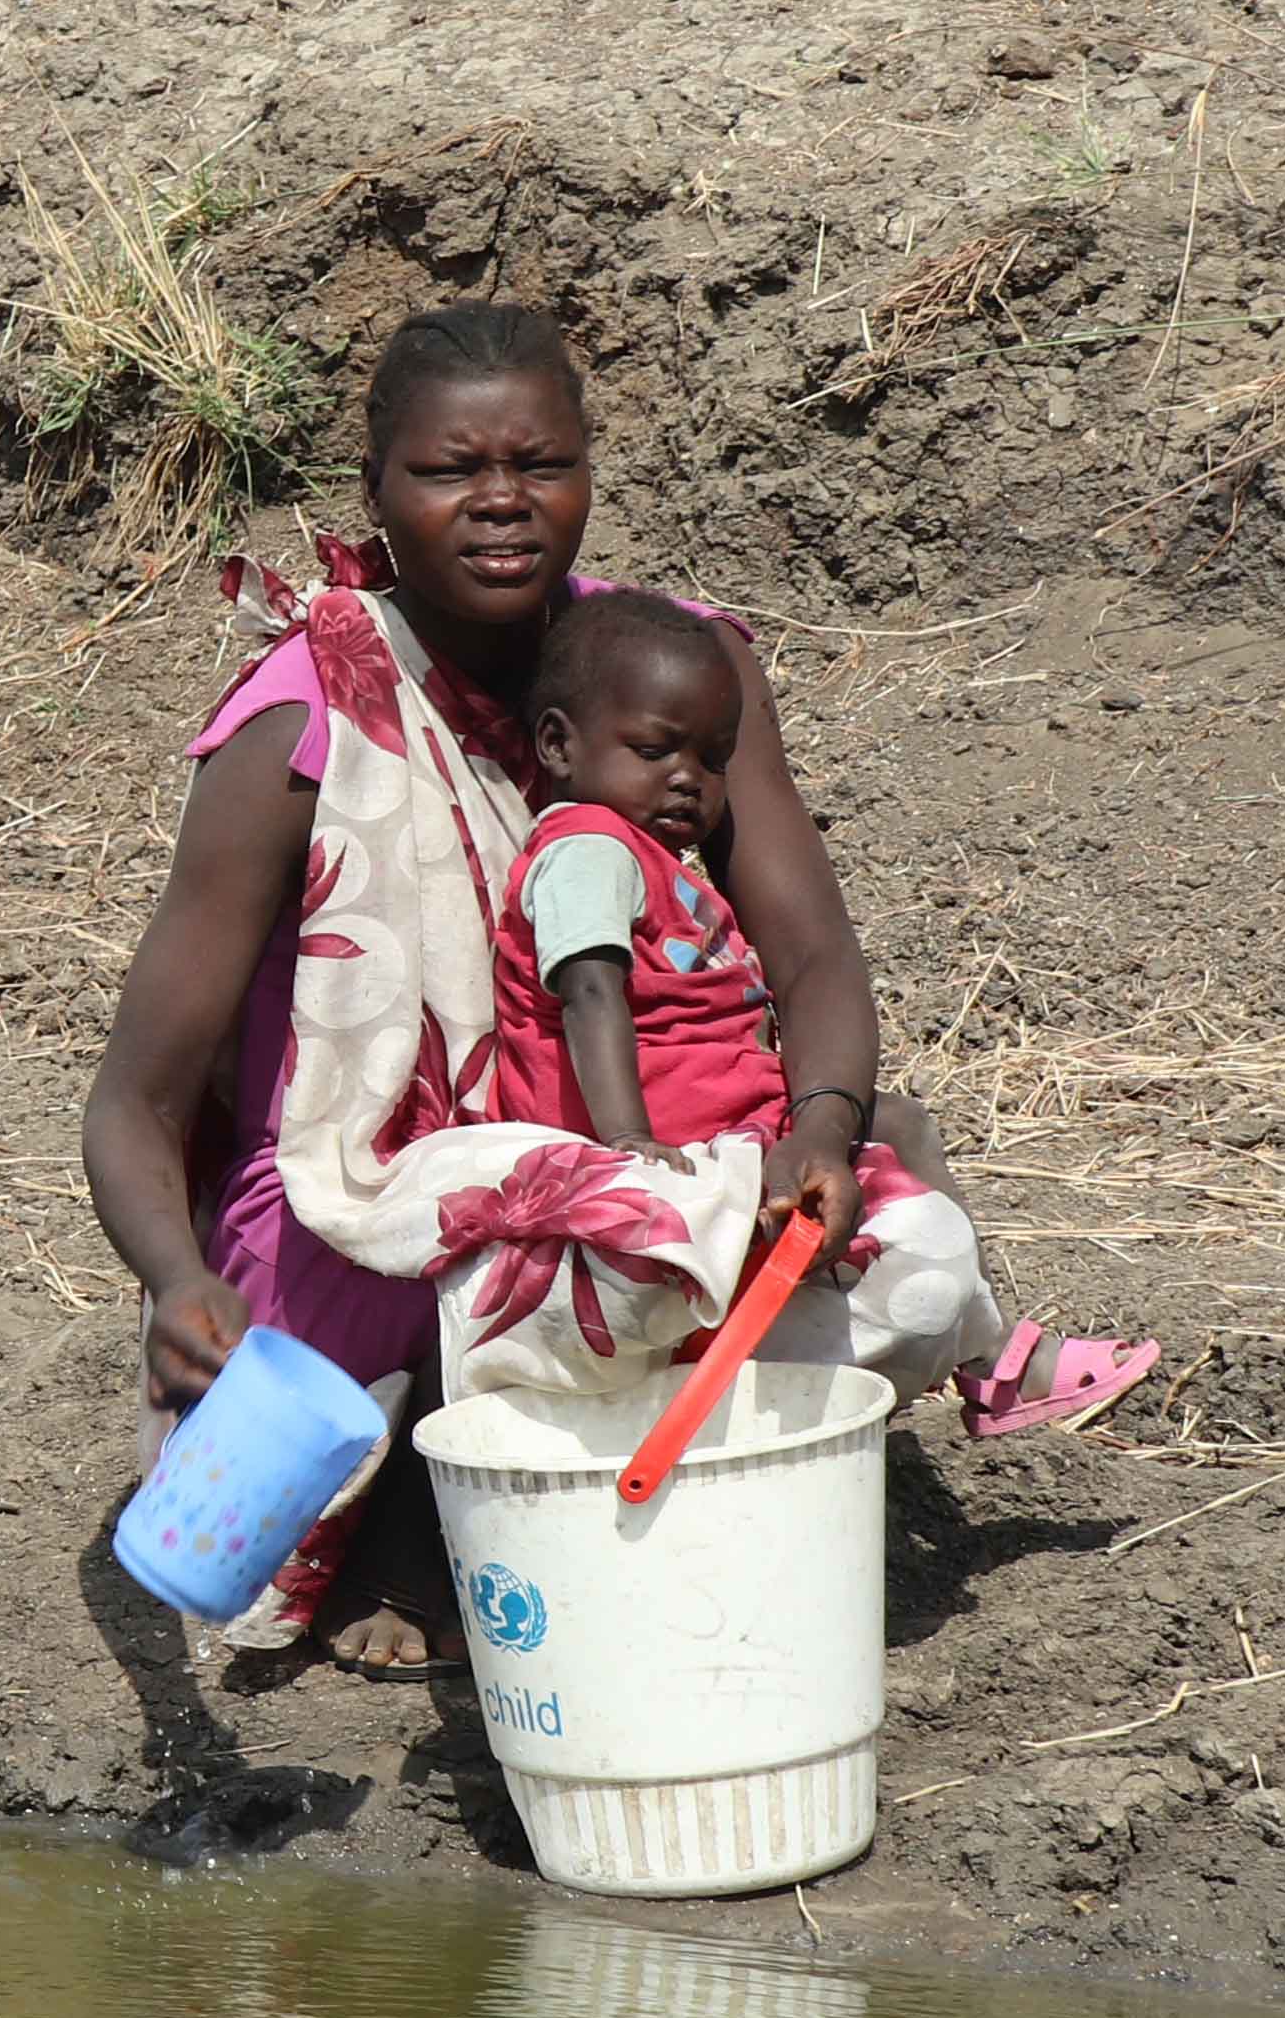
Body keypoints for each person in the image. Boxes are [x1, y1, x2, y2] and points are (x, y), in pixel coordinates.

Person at [78, 300, 1147, 1664]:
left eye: (540, 463)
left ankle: (578, 1488)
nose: (501, 503)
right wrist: (173, 1284)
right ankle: (427, 1507)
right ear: (376, 493)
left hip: (633, 1157)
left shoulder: (676, 672)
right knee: (404, 1302)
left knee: (891, 1231)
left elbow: (815, 955)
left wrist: (814, 1135)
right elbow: (135, 1102)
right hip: (376, 1209)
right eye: (450, 471)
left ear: (591, 468)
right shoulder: (302, 720)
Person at [503, 586, 1000, 1378]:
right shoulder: (589, 849)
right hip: (668, 1145)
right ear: (559, 747)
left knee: (899, 1126)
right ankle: (982, 1355)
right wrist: (630, 1141)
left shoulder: (646, 860)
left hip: (712, 1128)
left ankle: (984, 1351)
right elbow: (590, 991)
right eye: (656, 750)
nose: (688, 780)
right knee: (903, 1184)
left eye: (712, 759)